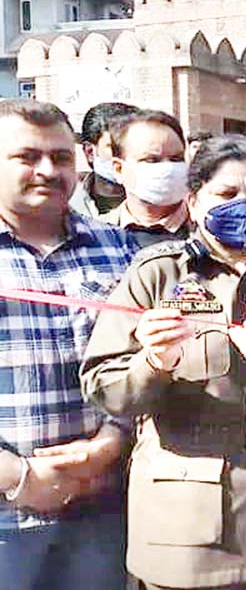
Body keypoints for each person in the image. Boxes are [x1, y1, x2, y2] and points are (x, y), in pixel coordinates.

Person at [80, 135, 246, 589]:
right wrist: (155, 362)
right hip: (191, 516)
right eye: (226, 195)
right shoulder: (157, 273)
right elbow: (106, 387)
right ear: (194, 200)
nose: (243, 205)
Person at [0, 99, 134, 590]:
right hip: (7, 519)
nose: (46, 170)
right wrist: (18, 477)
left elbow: (149, 365)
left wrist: (110, 443)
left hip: (103, 507)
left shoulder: (119, 248)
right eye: (27, 156)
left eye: (60, 157)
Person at [98, 109, 191, 250]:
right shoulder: (97, 235)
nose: (168, 168)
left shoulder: (209, 230)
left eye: (176, 159)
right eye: (152, 160)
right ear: (118, 169)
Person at [70, 101, 137, 218]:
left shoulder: (158, 204)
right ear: (90, 152)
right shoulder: (66, 203)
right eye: (116, 147)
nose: (128, 155)